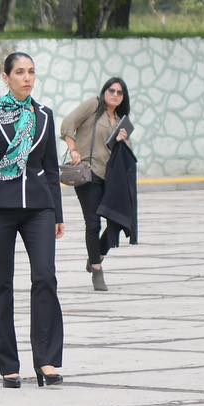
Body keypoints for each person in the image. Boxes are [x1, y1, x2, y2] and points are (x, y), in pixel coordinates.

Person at [0, 51, 65, 389]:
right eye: (19, 72)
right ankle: (9, 364)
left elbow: (51, 169)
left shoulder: (44, 116)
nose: (26, 78)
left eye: (31, 71)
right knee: (2, 284)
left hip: (39, 208)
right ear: (6, 77)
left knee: (45, 278)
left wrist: (58, 214)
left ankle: (47, 360)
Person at [61, 78, 133, 292]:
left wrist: (124, 139)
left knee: (116, 221)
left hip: (110, 178)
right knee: (93, 223)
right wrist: (74, 150)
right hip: (87, 173)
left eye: (120, 92)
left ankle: (97, 253)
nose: (115, 94)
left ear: (123, 98)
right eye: (111, 90)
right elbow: (68, 124)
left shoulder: (121, 121)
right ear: (104, 92)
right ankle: (97, 269)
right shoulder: (93, 106)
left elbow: (125, 153)